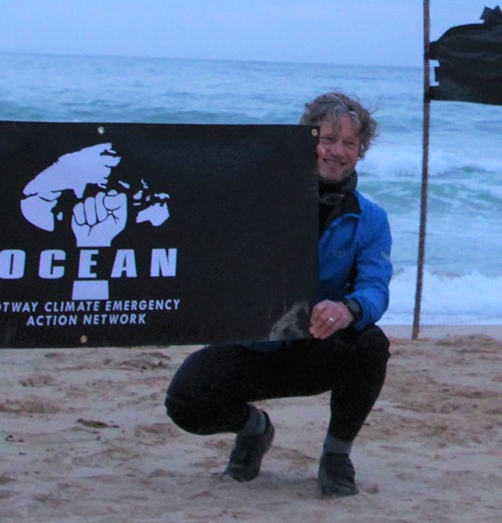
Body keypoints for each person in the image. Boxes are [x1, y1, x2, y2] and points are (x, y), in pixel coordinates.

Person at [164, 91, 393, 497]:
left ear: (361, 152)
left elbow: (375, 288)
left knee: (371, 343)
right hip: (252, 345)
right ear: (307, 140)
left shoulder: (371, 219)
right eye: (327, 139)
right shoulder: (259, 199)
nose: (336, 151)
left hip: (314, 348)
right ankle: (255, 430)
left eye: (349, 143)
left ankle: (336, 455)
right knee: (185, 401)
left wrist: (348, 309)